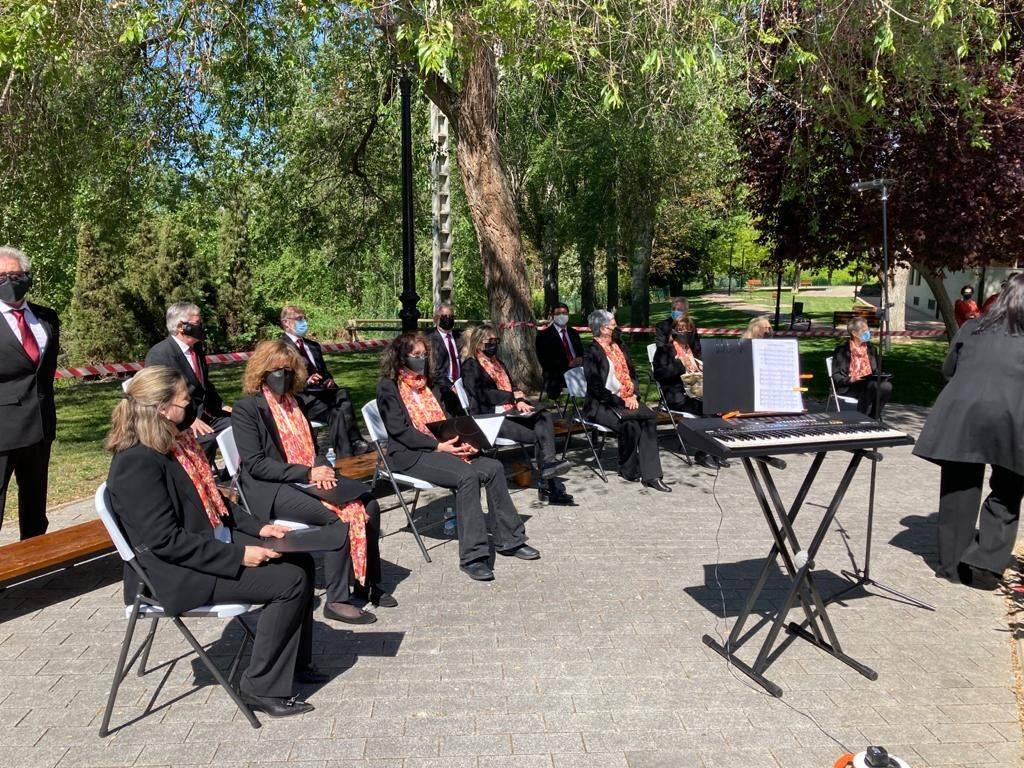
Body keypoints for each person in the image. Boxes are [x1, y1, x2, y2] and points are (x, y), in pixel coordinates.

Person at [105, 366, 329, 717]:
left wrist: (259, 529)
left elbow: (215, 502)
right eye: (184, 401)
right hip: (174, 571)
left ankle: (291, 666)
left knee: (302, 560)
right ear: (163, 409)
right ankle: (260, 687)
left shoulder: (176, 444)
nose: (191, 407)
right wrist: (239, 556)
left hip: (204, 546)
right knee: (289, 581)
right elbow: (166, 542)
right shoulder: (137, 462)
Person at [232, 340, 393, 624]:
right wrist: (307, 474)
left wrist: (320, 467)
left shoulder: (298, 404)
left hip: (307, 478)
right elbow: (256, 464)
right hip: (272, 487)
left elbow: (314, 449)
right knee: (339, 517)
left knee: (368, 505)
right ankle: (338, 599)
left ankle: (367, 583)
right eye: (276, 370)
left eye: (289, 370)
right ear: (261, 372)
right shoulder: (248, 409)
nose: (283, 376)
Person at [376, 332, 539, 581]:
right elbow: (400, 431)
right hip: (411, 454)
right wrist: (439, 447)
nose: (421, 360)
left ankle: (511, 540)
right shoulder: (388, 387)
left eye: (424, 355)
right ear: (400, 358)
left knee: (493, 467)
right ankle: (473, 555)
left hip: (445, 445)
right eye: (415, 355)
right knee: (467, 475)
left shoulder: (431, 383)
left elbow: (454, 420)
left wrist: (469, 442)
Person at [913, 273, 1024, 590]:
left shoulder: (973, 327)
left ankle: (950, 565)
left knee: (959, 487)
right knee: (1008, 489)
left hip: (963, 415)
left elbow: (950, 370)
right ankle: (985, 567)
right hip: (1013, 419)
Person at [460, 324, 574, 505]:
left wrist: (519, 400)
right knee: (541, 435)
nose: (494, 345)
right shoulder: (470, 366)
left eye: (496, 341)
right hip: (490, 418)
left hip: (510, 412)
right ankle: (549, 486)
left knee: (544, 416)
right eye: (490, 341)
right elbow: (481, 394)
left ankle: (549, 468)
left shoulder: (498, 363)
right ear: (478, 343)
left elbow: (513, 387)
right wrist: (511, 397)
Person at [0, 247, 59, 539]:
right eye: (1, 277)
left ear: (27, 277)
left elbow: (44, 373)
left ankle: (36, 561)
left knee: (35, 503)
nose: (9, 281)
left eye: (15, 275)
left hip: (40, 425)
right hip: (2, 429)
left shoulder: (47, 318)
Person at [584, 310, 670, 492]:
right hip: (602, 404)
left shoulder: (620, 346)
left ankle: (652, 475)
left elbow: (633, 374)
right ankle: (628, 469)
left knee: (649, 418)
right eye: (613, 325)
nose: (616, 328)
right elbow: (596, 388)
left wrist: (633, 395)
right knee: (631, 424)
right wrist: (621, 401)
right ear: (602, 328)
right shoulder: (592, 351)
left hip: (627, 398)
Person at [279, 305, 370, 457]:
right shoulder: (281, 348)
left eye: (304, 318)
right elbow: (282, 380)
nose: (304, 322)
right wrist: (306, 381)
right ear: (286, 323)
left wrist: (329, 380)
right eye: (299, 319)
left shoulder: (312, 346)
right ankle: (346, 453)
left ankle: (354, 441)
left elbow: (324, 371)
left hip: (322, 392)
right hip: (302, 398)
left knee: (342, 394)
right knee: (336, 412)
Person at [145, 302, 231, 459]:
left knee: (241, 425)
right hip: (179, 421)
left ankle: (235, 474)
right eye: (197, 323)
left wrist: (223, 405)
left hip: (206, 414)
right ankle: (199, 479)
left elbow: (205, 385)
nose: (201, 327)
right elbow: (159, 396)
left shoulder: (196, 350)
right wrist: (189, 420)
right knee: (207, 440)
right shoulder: (159, 354)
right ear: (180, 327)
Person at [652, 314, 723, 470]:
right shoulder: (665, 350)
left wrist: (704, 368)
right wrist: (679, 365)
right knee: (709, 409)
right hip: (676, 395)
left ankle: (717, 449)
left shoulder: (694, 351)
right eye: (682, 330)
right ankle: (703, 453)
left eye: (689, 330)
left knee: (722, 405)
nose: (686, 333)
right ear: (675, 331)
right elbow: (659, 375)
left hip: (697, 391)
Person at [830, 317, 892, 419]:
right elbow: (836, 376)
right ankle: (861, 416)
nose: (868, 333)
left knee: (887, 386)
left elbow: (875, 371)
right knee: (872, 385)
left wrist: (882, 376)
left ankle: (874, 416)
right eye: (865, 331)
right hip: (850, 386)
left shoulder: (871, 349)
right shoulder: (841, 351)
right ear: (854, 333)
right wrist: (850, 379)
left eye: (868, 330)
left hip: (869, 384)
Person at [535, 302, 584, 399]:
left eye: (564, 313)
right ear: (552, 316)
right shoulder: (544, 336)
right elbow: (545, 361)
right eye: (558, 314)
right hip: (557, 373)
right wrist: (569, 364)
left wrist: (580, 359)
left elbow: (581, 352)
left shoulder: (573, 333)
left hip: (579, 369)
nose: (562, 316)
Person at [425, 303, 461, 390]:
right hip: (441, 386)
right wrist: (451, 387)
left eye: (451, 317)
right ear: (437, 319)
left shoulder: (459, 337)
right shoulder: (429, 339)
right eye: (445, 316)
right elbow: (433, 370)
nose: (448, 319)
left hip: (461, 384)